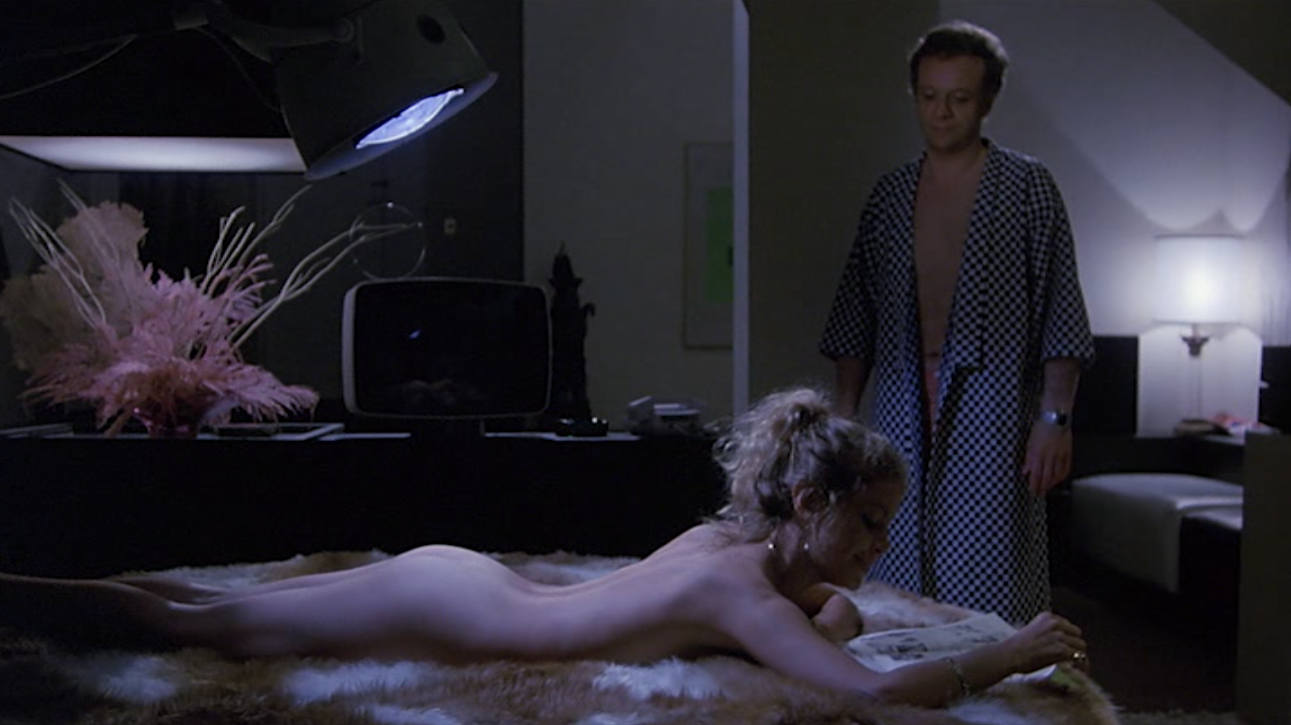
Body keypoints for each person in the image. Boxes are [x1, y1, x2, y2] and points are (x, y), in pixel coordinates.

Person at [0, 388, 1087, 708]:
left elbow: (826, 618)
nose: (878, 547)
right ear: (806, 501)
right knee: (204, 625)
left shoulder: (734, 546)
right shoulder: (742, 591)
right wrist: (1006, 651)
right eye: (868, 522)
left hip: (469, 582)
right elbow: (870, 692)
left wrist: (836, 606)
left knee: (203, 600)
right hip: (454, 607)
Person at [819, 21, 1095, 625]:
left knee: (990, 554)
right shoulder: (891, 195)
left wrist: (1054, 419)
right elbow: (855, 313)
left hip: (995, 402)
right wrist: (844, 415)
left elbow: (1061, 309)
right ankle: (904, 666)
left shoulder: (1026, 188)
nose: (941, 112)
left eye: (959, 98)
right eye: (929, 96)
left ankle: (1001, 667)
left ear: (987, 100)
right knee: (890, 541)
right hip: (901, 398)